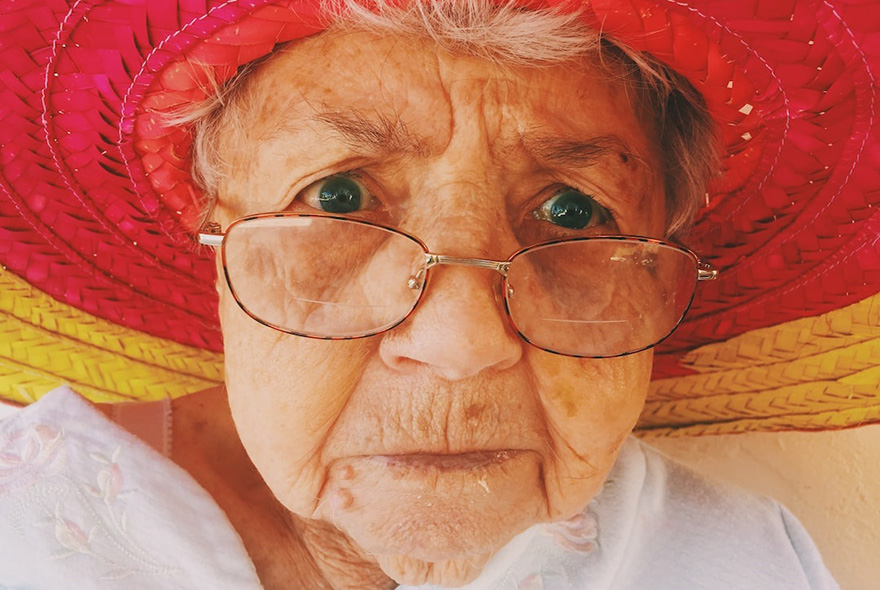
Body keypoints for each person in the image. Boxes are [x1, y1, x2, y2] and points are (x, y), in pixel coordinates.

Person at [0, 0, 876, 588]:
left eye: (573, 212)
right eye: (338, 197)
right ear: (218, 249)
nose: (462, 345)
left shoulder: (738, 561)